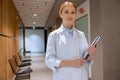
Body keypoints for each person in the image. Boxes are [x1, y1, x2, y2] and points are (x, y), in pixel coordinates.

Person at [45, 1, 96, 80]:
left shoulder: (81, 34)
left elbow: (85, 58)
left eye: (73, 12)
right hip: (63, 76)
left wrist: (90, 54)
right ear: (60, 14)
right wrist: (72, 63)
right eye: (66, 12)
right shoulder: (54, 35)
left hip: (80, 76)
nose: (70, 15)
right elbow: (49, 60)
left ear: (75, 15)